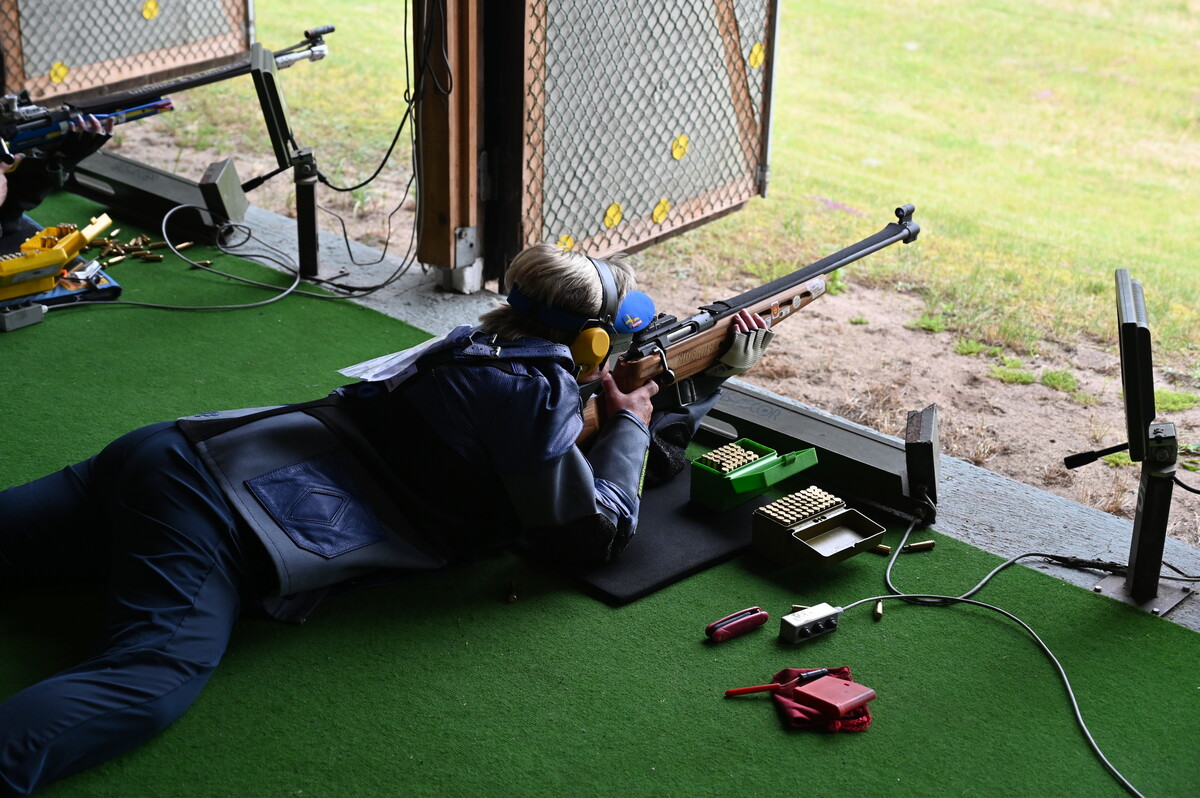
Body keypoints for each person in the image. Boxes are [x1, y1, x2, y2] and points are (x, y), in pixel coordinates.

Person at [0, 242, 773, 795]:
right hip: (219, 521)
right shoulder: (536, 395)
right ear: (593, 341)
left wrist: (676, 391)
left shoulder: (472, 341)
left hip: (169, 451)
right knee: (147, 681)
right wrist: (633, 422)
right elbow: (593, 533)